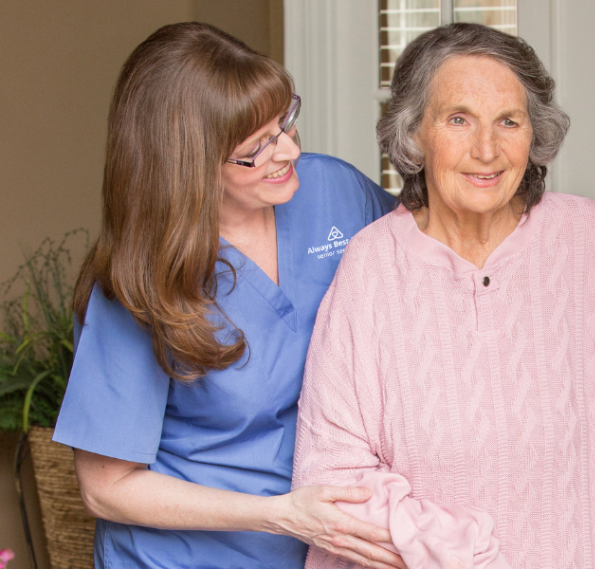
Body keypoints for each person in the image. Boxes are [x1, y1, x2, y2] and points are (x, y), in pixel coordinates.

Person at [293, 22, 595, 569]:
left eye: (508, 121)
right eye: (458, 119)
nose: (487, 150)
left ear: (533, 133)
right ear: (414, 133)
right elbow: (332, 476)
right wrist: (461, 550)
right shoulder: (372, 266)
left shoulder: (588, 241)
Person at [51, 22, 407, 569]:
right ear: (187, 164)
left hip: (317, 548)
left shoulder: (334, 191)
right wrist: (282, 514)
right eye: (254, 148)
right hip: (182, 558)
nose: (288, 149)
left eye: (284, 122)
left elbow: (433, 263)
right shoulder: (139, 280)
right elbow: (107, 488)